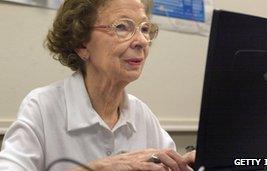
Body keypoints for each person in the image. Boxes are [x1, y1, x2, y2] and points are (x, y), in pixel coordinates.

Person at [0, 0, 195, 170]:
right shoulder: (42, 107)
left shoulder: (142, 115)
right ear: (82, 44)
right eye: (122, 27)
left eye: (145, 29)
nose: (142, 41)